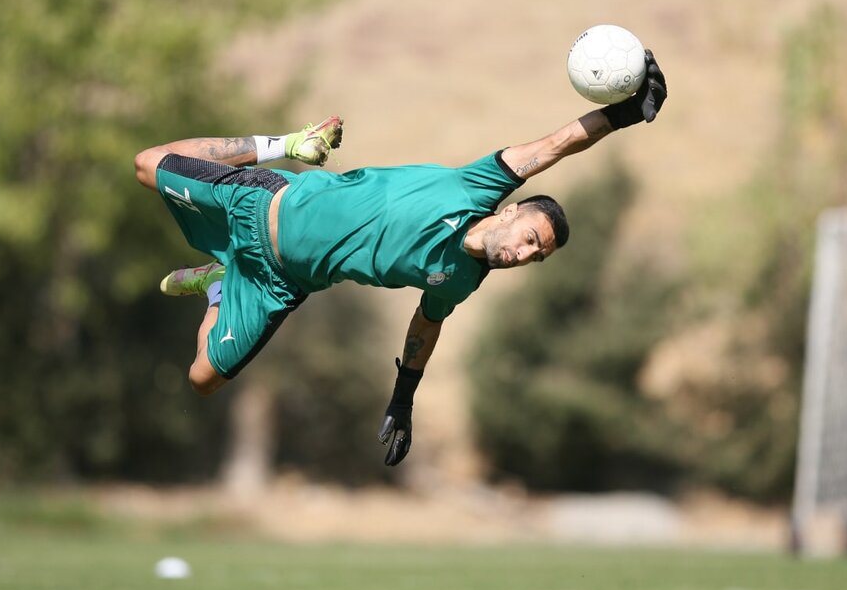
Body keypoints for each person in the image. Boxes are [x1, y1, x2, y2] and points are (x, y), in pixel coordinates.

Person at [133, 51, 667, 466]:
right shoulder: (476, 186)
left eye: (536, 256)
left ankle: (217, 284)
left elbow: (425, 325)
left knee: (204, 379)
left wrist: (403, 397)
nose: (525, 254)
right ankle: (288, 143)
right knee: (149, 164)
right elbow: (557, 145)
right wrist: (619, 116)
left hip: (278, 281)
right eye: (531, 237)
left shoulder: (460, 279)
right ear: (513, 210)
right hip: (263, 202)